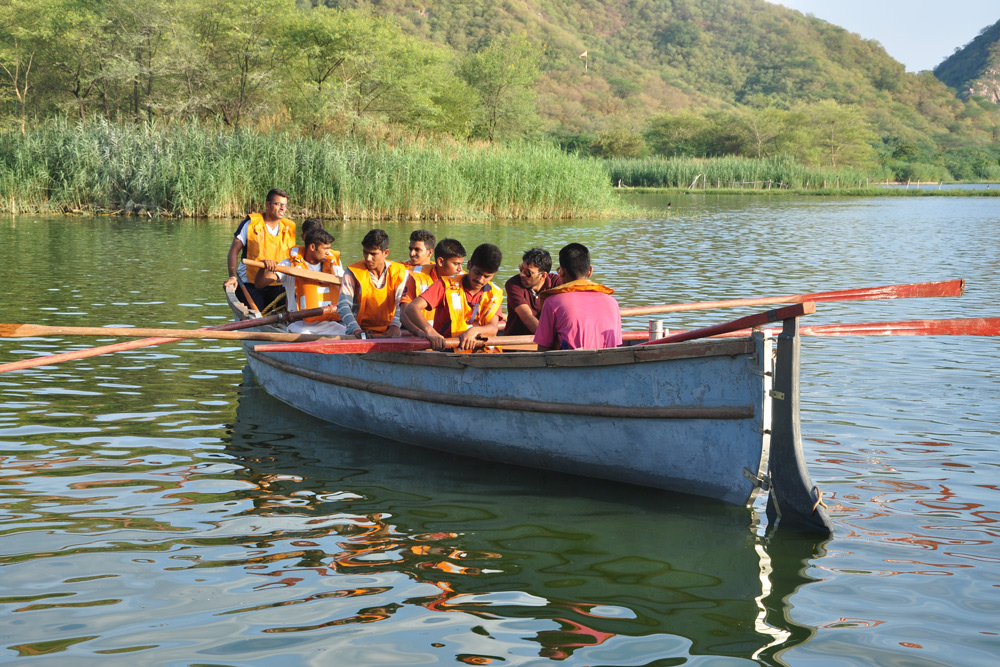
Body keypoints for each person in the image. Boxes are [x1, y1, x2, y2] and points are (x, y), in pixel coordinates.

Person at [402, 243, 504, 351]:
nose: (480, 279)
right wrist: (430, 331)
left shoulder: (495, 293)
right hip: (446, 349)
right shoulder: (445, 285)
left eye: (486, 276)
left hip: (482, 351)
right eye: (477, 273)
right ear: (469, 265)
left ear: (494, 274)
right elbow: (412, 308)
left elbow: (493, 328)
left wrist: (474, 331)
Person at [253, 228, 345, 335]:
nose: (328, 252)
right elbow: (259, 284)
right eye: (325, 249)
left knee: (347, 331)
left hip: (329, 324)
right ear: (312, 247)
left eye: (329, 248)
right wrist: (262, 268)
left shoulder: (333, 266)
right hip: (300, 325)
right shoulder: (289, 265)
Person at [533, 243, 622, 351]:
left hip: (568, 366)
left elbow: (543, 350)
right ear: (590, 271)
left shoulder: (552, 302)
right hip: (607, 365)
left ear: (562, 271)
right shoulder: (612, 302)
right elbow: (617, 344)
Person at [224, 188, 296, 311]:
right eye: (279, 204)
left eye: (285, 205)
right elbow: (234, 251)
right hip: (250, 283)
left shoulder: (289, 227)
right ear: (267, 205)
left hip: (277, 283)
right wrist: (232, 276)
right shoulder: (250, 224)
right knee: (257, 312)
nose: (283, 208)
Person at [337, 229, 408, 338]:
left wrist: (395, 325)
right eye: (365, 252)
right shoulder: (352, 271)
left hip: (390, 331)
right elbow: (343, 305)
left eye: (373, 254)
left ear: (386, 253)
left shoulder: (399, 271)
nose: (368, 258)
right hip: (360, 331)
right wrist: (356, 330)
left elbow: (402, 303)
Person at [399, 238, 467, 325]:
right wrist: (421, 332)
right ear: (440, 261)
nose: (460, 269)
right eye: (456, 264)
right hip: (422, 332)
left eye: (461, 264)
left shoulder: (464, 279)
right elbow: (404, 315)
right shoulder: (415, 277)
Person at [502, 247, 563, 336]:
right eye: (521, 268)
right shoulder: (513, 284)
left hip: (546, 340)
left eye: (528, 273)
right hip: (517, 344)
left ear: (543, 275)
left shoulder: (557, 282)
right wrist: (548, 338)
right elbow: (527, 317)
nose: (521, 274)